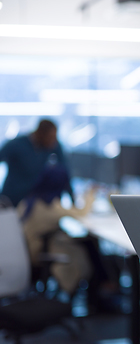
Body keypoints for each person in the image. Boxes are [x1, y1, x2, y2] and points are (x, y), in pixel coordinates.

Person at [17, 164, 94, 296]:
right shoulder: (50, 207)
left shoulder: (28, 201)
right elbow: (81, 213)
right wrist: (91, 194)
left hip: (24, 252)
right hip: (39, 253)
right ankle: (95, 295)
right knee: (86, 250)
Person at [0, 119, 72, 207]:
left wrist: (73, 201)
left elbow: (65, 172)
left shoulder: (52, 144)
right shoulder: (17, 145)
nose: (53, 142)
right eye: (50, 138)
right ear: (39, 134)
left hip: (32, 202)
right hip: (12, 199)